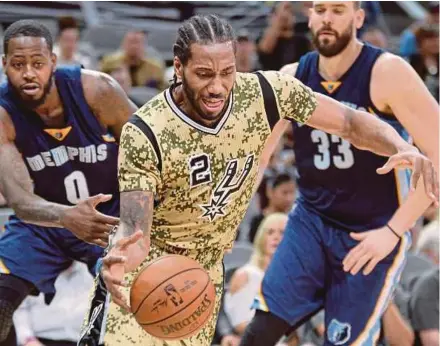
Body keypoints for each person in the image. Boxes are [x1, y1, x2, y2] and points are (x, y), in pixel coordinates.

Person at [81, 14, 437, 346]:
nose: (218, 86)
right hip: (147, 274)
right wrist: (121, 257)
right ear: (178, 67)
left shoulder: (266, 93)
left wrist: (398, 144)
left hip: (202, 276)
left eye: (227, 72)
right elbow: (135, 229)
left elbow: (349, 122)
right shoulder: (146, 131)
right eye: (204, 73)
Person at [240, 2, 439, 345]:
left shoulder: (387, 72)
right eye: (320, 9)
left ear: (359, 18)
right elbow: (258, 157)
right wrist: (227, 220)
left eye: (338, 9)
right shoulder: (292, 77)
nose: (327, 18)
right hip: (311, 222)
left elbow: (436, 157)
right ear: (310, 16)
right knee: (260, 332)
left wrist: (393, 231)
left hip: (371, 231)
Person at [0, 20, 137, 345]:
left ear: (53, 62)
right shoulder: (3, 114)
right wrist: (65, 216)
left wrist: (133, 226)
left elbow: (148, 155)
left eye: (37, 63)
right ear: (5, 66)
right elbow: (20, 200)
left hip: (111, 220)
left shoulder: (97, 91)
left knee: (132, 316)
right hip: (44, 222)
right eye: (18, 65)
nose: (29, 73)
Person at [225, 213, 287, 337]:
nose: (276, 237)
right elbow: (240, 323)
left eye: (282, 233)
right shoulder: (245, 275)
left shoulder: (293, 278)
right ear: (261, 237)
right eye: (270, 232)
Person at [13, 261, 94, 346]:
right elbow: (19, 310)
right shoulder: (29, 271)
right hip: (39, 340)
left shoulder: (95, 270)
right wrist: (28, 340)